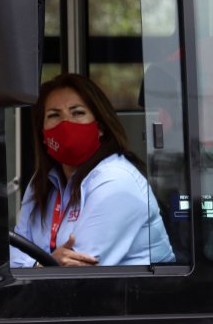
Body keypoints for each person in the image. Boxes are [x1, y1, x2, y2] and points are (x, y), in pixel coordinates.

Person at [10, 73, 176, 267]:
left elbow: (76, 271)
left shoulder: (116, 180)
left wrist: (38, 266)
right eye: (54, 115)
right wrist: (42, 266)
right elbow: (13, 256)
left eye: (78, 113)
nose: (66, 124)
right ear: (43, 133)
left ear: (100, 126)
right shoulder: (42, 182)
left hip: (136, 296)